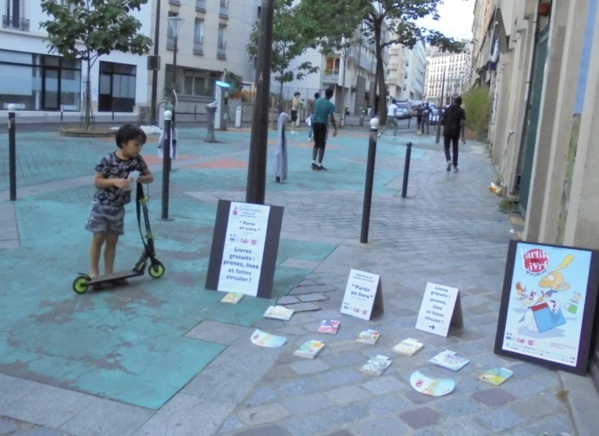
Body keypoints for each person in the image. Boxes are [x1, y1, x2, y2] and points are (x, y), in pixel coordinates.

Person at [85, 124, 154, 285]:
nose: (139, 148)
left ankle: (109, 273)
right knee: (99, 237)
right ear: (124, 142)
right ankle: (94, 272)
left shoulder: (137, 161)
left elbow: (150, 178)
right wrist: (114, 181)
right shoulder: (109, 159)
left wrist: (136, 179)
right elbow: (97, 181)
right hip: (101, 205)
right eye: (136, 144)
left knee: (112, 240)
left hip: (118, 207)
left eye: (141, 145)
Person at [311, 87, 337, 171]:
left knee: (316, 143)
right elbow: (332, 118)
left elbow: (313, 109)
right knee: (322, 144)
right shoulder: (330, 105)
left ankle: (313, 162)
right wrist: (335, 128)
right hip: (323, 124)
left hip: (315, 123)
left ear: (325, 93)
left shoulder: (317, 101)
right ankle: (319, 164)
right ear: (331, 95)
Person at [440, 96, 466, 172]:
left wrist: (444, 125)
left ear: (454, 101)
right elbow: (462, 123)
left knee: (446, 147)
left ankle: (448, 160)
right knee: (455, 148)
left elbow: (442, 120)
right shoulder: (461, 111)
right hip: (456, 132)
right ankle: (455, 165)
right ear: (460, 103)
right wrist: (463, 136)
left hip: (447, 131)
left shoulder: (447, 109)